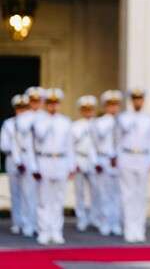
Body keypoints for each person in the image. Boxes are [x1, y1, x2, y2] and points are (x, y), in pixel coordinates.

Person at [31, 88, 74, 245]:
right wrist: (34, 167)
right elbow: (34, 144)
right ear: (45, 104)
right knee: (44, 198)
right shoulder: (39, 121)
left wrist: (71, 166)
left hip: (61, 161)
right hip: (44, 160)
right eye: (50, 103)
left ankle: (56, 231)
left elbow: (70, 146)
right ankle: (44, 231)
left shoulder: (65, 121)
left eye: (56, 103)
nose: (53, 106)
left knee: (58, 199)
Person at [116, 88, 150, 242]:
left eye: (140, 99)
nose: (138, 102)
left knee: (141, 195)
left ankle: (139, 229)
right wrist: (118, 158)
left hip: (143, 157)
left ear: (143, 101)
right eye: (135, 99)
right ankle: (129, 228)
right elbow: (117, 140)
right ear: (131, 101)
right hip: (127, 156)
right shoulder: (123, 118)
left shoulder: (149, 119)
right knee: (128, 195)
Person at [93, 89, 123, 236]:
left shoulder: (123, 121)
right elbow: (94, 144)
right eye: (110, 105)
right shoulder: (99, 122)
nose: (113, 108)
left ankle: (115, 222)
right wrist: (96, 162)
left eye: (115, 105)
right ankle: (105, 221)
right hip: (104, 158)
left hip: (119, 161)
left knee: (117, 194)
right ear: (105, 106)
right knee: (104, 194)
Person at [0, 94, 29, 235]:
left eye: (24, 108)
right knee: (15, 192)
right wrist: (16, 149)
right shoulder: (9, 124)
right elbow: (4, 145)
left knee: (29, 192)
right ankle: (17, 222)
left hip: (28, 158)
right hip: (12, 159)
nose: (21, 110)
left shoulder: (33, 122)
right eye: (19, 108)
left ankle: (29, 222)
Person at [15, 89, 41, 237]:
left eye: (37, 100)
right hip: (27, 157)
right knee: (27, 193)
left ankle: (40, 224)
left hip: (43, 158)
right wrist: (18, 160)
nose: (35, 103)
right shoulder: (22, 118)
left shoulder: (46, 117)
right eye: (32, 100)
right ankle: (27, 224)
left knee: (42, 195)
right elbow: (16, 142)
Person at [71, 95, 99, 232]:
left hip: (94, 160)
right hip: (80, 158)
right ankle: (81, 218)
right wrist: (73, 163)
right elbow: (70, 145)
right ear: (81, 110)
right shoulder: (75, 126)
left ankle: (95, 217)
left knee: (96, 191)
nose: (88, 112)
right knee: (79, 191)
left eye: (90, 109)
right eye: (85, 109)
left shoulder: (98, 124)